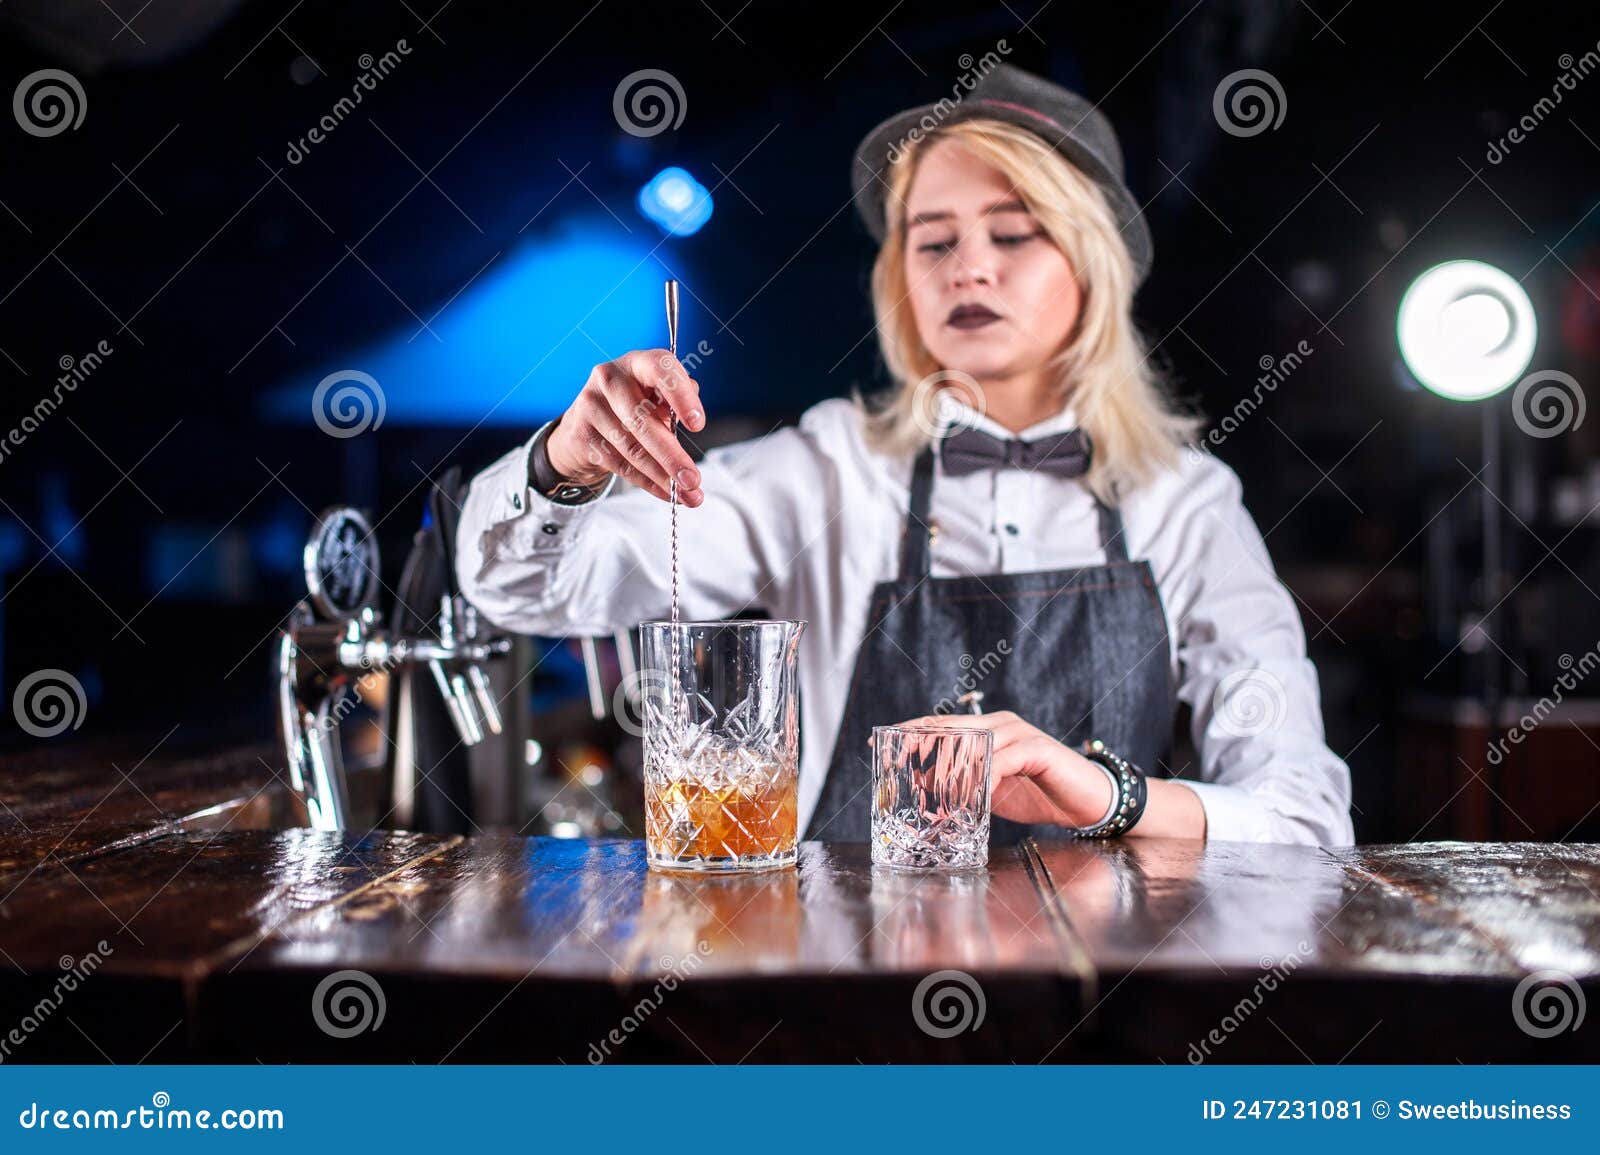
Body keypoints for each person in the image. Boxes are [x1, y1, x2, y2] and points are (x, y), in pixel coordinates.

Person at [455, 63, 1354, 847]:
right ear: (902, 278)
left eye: (1013, 233)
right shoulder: (827, 472)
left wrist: (1113, 794)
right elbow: (525, 591)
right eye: (933, 241)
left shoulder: (1186, 503)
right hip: (844, 1003)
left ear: (1092, 265)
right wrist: (560, 468)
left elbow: (1304, 817)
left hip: (1107, 1006)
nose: (968, 267)